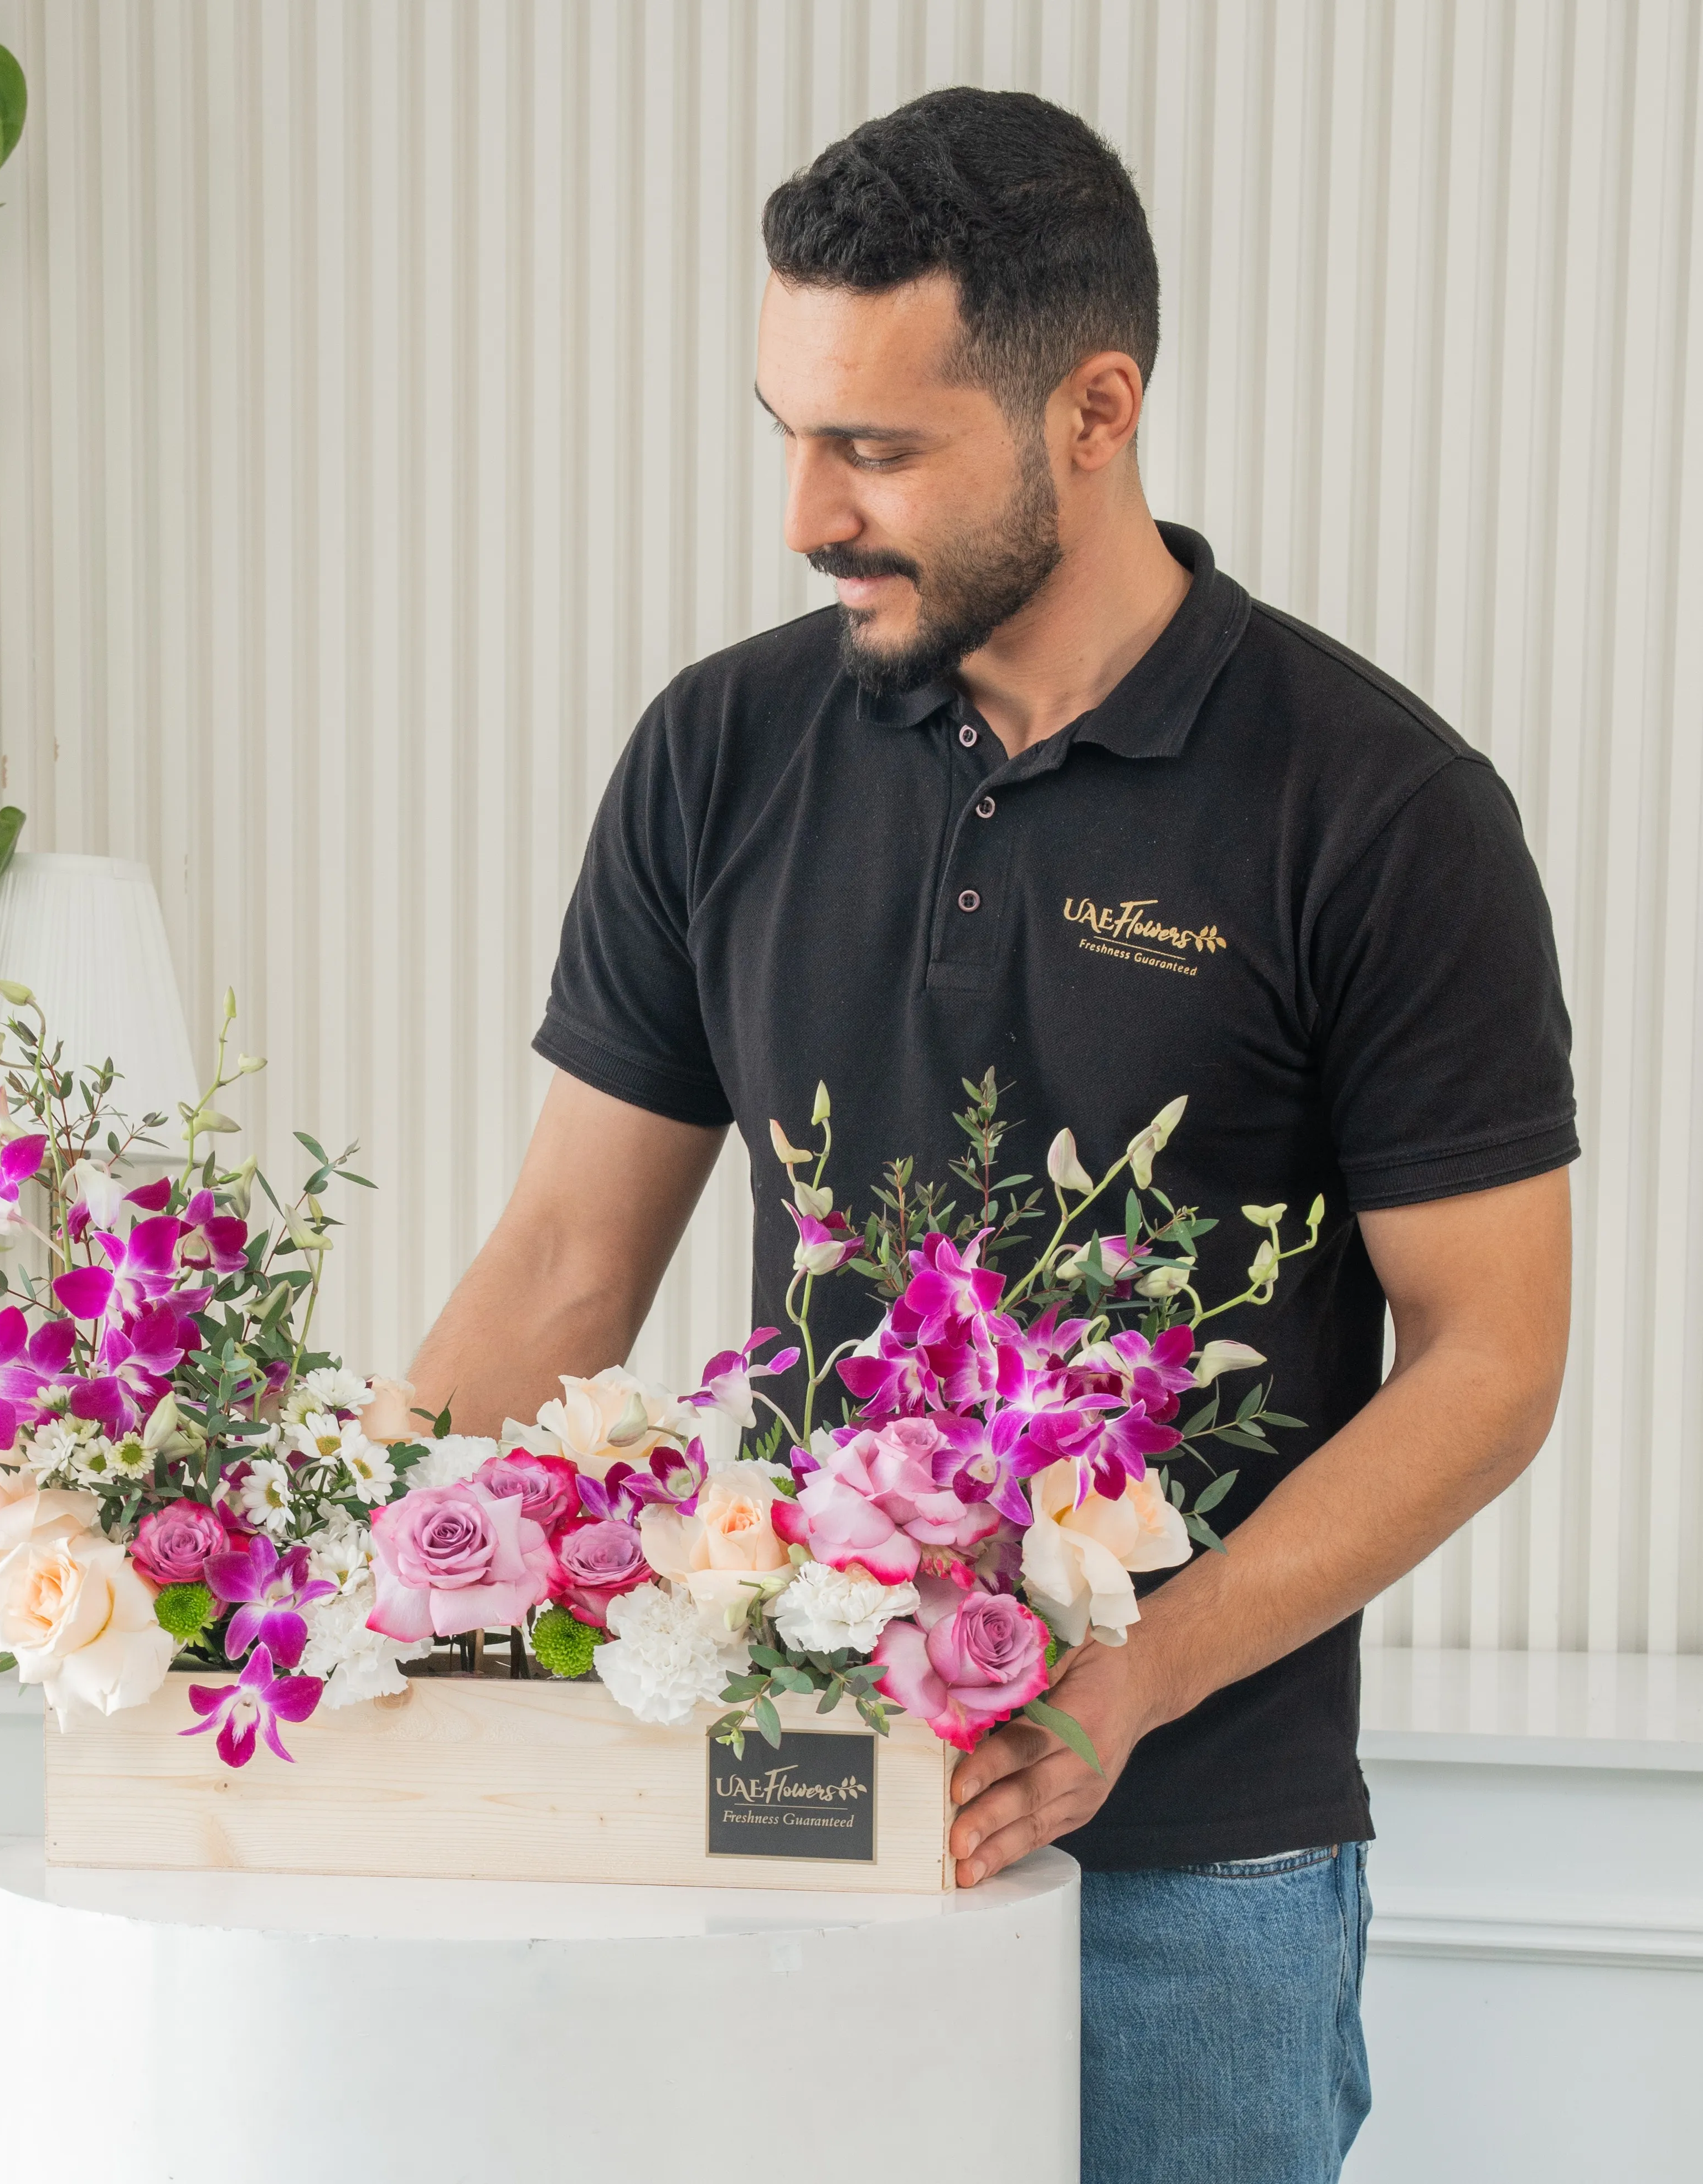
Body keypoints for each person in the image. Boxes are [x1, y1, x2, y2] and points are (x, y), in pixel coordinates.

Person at [407, 85, 1575, 2184]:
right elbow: (568, 1261)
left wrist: (1132, 1686)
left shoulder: (1378, 809)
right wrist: (341, 1593)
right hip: (793, 1816)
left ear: (1095, 409)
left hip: (1196, 1878)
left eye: (876, 448)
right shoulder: (717, 751)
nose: (804, 511)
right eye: (787, 427)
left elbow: (1491, 1358)